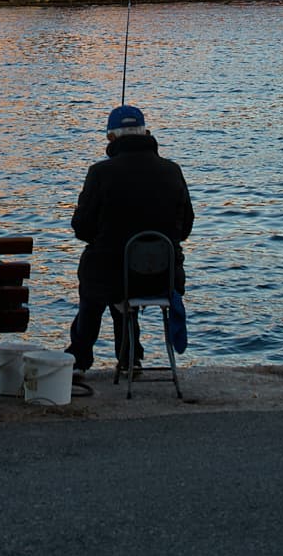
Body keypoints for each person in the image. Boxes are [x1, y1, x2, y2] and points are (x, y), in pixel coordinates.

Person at [66, 104, 193, 376]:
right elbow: (186, 228)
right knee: (119, 271)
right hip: (163, 278)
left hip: (111, 279)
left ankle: (80, 356)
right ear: (146, 132)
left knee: (96, 276)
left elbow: (81, 228)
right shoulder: (173, 171)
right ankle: (130, 356)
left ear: (111, 138)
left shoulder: (100, 173)